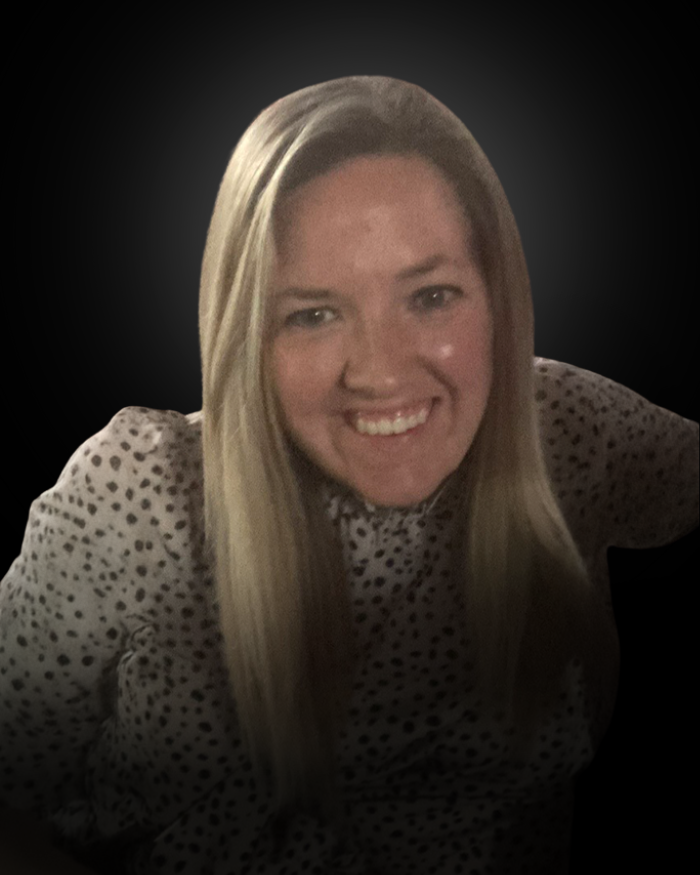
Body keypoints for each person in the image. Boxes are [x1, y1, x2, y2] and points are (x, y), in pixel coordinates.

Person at [0, 76, 697, 875]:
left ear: (499, 302)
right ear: (246, 334)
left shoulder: (567, 429)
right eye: (314, 314)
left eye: (431, 296)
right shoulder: (137, 496)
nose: (378, 372)